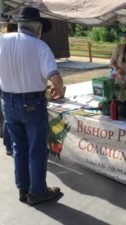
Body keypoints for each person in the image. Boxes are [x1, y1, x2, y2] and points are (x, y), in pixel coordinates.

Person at [0, 6, 63, 204]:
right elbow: (55, 77)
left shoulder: (1, 41)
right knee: (36, 148)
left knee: (19, 146)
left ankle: (23, 188)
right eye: (41, 28)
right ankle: (37, 192)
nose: (41, 31)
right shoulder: (39, 46)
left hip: (7, 102)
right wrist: (58, 88)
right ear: (36, 27)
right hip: (32, 103)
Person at [0, 21, 17, 156]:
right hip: (10, 85)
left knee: (8, 117)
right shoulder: (16, 44)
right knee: (9, 117)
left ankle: (9, 146)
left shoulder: (2, 43)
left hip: (4, 83)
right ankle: (11, 145)